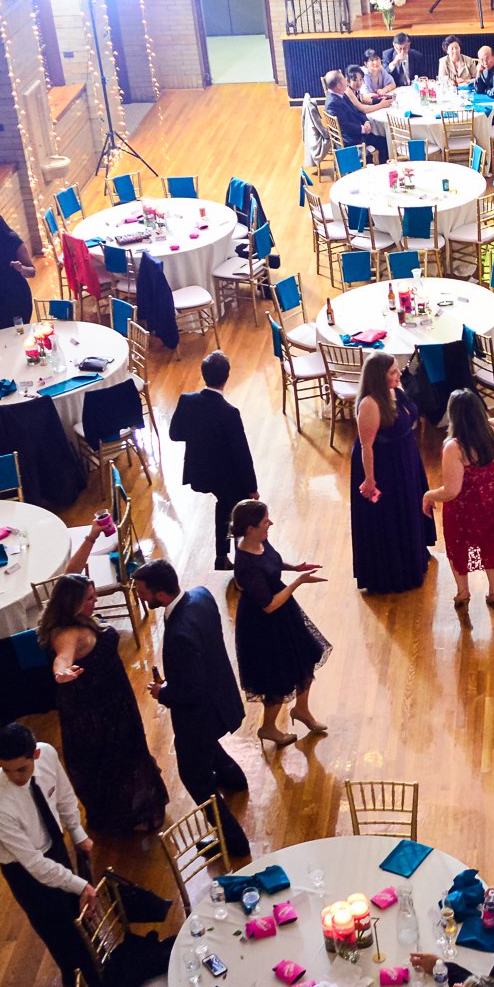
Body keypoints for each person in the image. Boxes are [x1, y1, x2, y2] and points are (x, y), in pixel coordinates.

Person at [133, 560, 252, 859]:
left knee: (195, 777)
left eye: (142, 592)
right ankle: (235, 779)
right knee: (208, 749)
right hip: (220, 696)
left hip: (198, 716)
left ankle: (233, 842)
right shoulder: (201, 596)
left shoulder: (179, 635)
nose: (139, 596)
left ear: (160, 596)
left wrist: (163, 693)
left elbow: (191, 690)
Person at [38, 571, 169, 835]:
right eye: (89, 599)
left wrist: (93, 536)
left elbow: (67, 575)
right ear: (72, 602)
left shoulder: (77, 617)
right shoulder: (68, 634)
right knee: (116, 760)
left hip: (112, 699)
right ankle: (127, 816)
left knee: (128, 752)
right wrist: (60, 673)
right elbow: (62, 658)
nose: (94, 602)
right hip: (98, 713)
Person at [0, 722, 97, 987]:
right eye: (6, 770)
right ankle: (77, 979)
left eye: (21, 769)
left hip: (53, 844)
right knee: (54, 925)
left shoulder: (48, 754)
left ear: (36, 755)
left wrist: (77, 834)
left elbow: (64, 797)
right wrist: (81, 885)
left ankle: (94, 965)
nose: (16, 777)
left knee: (75, 913)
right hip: (22, 869)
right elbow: (33, 864)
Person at [228, 500, 331, 745]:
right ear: (250, 528)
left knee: (305, 658)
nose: (270, 524)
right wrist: (298, 582)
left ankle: (302, 710)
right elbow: (268, 605)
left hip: (283, 614)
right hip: (264, 626)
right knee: (277, 676)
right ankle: (268, 728)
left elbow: (270, 563)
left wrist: (294, 567)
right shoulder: (245, 565)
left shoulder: (259, 541)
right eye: (265, 521)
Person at [424, 389, 494, 607]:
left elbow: (452, 491)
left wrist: (429, 494)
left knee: (459, 545)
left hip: (468, 504)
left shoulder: (455, 447)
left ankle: (463, 592)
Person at [349, 353, 435, 594]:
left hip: (405, 456)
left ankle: (414, 556)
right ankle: (394, 571)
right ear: (378, 377)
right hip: (383, 465)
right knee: (390, 514)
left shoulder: (395, 391)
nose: (399, 375)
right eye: (393, 373)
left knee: (409, 507)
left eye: (397, 370)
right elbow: (366, 446)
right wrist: (369, 479)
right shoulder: (369, 404)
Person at [169, 351, 259, 571]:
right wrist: (252, 488)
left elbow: (174, 433)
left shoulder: (187, 401)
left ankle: (222, 556)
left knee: (224, 505)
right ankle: (241, 558)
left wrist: (199, 437)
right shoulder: (229, 413)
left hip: (200, 470)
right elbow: (242, 455)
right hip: (224, 475)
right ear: (226, 377)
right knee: (240, 508)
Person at [322, 70, 387, 163]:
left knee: (382, 139)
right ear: (339, 86)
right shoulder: (332, 104)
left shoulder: (341, 94)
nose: (346, 80)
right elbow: (345, 126)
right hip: (352, 140)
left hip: (358, 132)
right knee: (385, 143)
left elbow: (357, 110)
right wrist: (363, 129)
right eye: (344, 79)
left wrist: (366, 121)